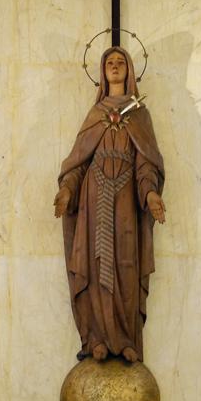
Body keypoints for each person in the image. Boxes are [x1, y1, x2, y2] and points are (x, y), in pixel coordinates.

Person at [54, 45, 165, 363]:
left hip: (126, 200)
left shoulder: (139, 114)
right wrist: (66, 190)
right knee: (96, 262)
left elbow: (146, 163)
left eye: (121, 62)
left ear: (130, 69)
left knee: (126, 265)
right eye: (109, 63)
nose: (115, 67)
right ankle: (97, 338)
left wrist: (150, 194)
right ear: (102, 72)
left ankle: (126, 337)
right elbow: (78, 161)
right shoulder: (95, 114)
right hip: (94, 198)